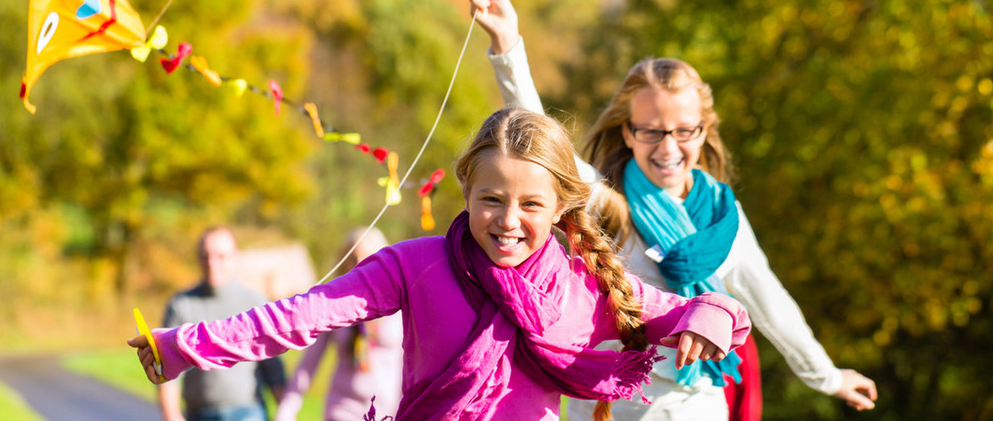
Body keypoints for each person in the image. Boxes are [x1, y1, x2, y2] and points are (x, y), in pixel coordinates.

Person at [130, 107, 752, 420]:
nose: (508, 219)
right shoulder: (414, 265)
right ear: (465, 194)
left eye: (530, 204)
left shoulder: (584, 285)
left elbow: (717, 306)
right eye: (491, 199)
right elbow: (301, 316)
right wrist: (181, 346)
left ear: (562, 204)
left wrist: (710, 321)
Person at [464, 0, 879, 420]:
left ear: (704, 131)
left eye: (684, 131)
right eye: (651, 131)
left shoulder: (724, 218)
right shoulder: (603, 201)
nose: (669, 147)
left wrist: (828, 377)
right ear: (627, 133)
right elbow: (536, 128)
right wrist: (506, 45)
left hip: (696, 404)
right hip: (606, 404)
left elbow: (771, 302)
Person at [274, 227, 405, 420]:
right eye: (353, 257)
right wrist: (286, 411)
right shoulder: (333, 305)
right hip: (341, 408)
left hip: (387, 410)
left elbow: (412, 366)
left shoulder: (399, 308)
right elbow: (308, 364)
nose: (360, 264)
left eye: (368, 257)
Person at [158, 226, 287, 421]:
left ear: (236, 258)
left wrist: (286, 413)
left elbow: (273, 369)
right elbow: (166, 369)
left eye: (221, 256)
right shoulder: (181, 305)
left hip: (248, 412)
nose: (212, 263)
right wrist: (172, 415)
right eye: (205, 256)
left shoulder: (255, 303)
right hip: (199, 414)